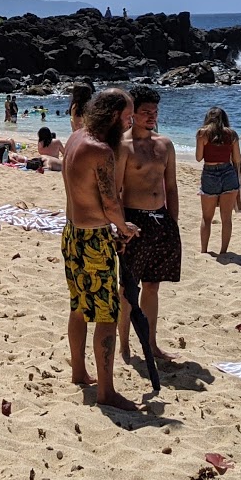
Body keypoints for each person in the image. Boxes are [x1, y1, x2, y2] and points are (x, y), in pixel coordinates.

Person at [60, 88, 140, 410]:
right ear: (111, 117)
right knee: (107, 314)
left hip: (71, 234)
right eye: (127, 117)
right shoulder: (100, 150)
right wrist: (125, 228)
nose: (130, 123)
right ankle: (106, 392)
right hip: (93, 239)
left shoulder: (75, 138)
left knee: (78, 305)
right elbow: (110, 204)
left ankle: (79, 371)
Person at [115, 86, 181, 364]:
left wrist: (173, 222)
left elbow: (172, 185)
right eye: (145, 112)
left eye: (155, 111)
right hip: (134, 219)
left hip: (161, 219)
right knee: (128, 288)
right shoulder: (123, 146)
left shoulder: (165, 144)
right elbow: (116, 190)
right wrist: (121, 226)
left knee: (153, 285)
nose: (151, 116)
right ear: (133, 114)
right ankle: (124, 344)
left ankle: (151, 343)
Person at [195, 107, 241, 256]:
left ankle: (204, 250)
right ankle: (223, 251)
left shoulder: (202, 133)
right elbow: (237, 159)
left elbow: (199, 157)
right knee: (226, 218)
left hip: (209, 174)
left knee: (207, 218)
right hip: (228, 174)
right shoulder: (232, 134)